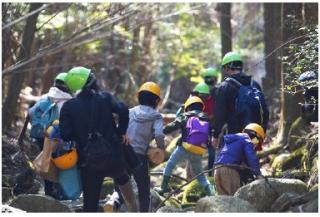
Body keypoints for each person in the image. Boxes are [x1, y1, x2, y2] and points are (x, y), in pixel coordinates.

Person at [59, 66, 137, 212]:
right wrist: (121, 132)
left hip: (88, 162)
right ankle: (136, 212)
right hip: (113, 155)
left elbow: (66, 135)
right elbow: (123, 110)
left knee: (90, 203)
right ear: (91, 82)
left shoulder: (68, 107)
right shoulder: (105, 98)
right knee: (124, 180)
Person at [105, 81, 165, 212]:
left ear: (139, 97)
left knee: (120, 187)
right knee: (144, 191)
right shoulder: (156, 116)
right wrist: (161, 148)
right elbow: (159, 135)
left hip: (122, 152)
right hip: (138, 158)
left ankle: (112, 203)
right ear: (156, 100)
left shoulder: (130, 111)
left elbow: (118, 128)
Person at [155, 96, 214, 196]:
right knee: (201, 176)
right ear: (201, 107)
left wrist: (161, 132)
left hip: (184, 148)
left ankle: (163, 188)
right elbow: (209, 136)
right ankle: (211, 193)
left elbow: (173, 125)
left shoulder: (186, 115)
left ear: (188, 107)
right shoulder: (206, 118)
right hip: (198, 150)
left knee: (170, 165)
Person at [213, 51, 269, 150]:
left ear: (227, 67)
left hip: (233, 136)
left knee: (225, 163)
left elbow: (219, 114)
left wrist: (216, 136)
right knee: (250, 161)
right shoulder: (254, 84)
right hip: (253, 134)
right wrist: (263, 131)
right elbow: (263, 108)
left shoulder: (225, 87)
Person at [29, 72, 72, 199]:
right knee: (59, 163)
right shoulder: (67, 100)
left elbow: (31, 113)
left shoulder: (45, 97)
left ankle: (48, 191)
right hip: (56, 137)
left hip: (41, 135)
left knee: (45, 162)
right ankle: (58, 193)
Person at [214, 123, 265, 195]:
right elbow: (251, 158)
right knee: (234, 199)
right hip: (229, 171)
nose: (255, 145)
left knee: (223, 200)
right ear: (255, 137)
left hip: (217, 169)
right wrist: (258, 174)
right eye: (257, 142)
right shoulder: (246, 139)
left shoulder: (234, 140)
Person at [201, 67, 221, 176]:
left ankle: (208, 174)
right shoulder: (219, 91)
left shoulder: (199, 90)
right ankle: (211, 174)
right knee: (213, 150)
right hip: (212, 123)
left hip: (201, 124)